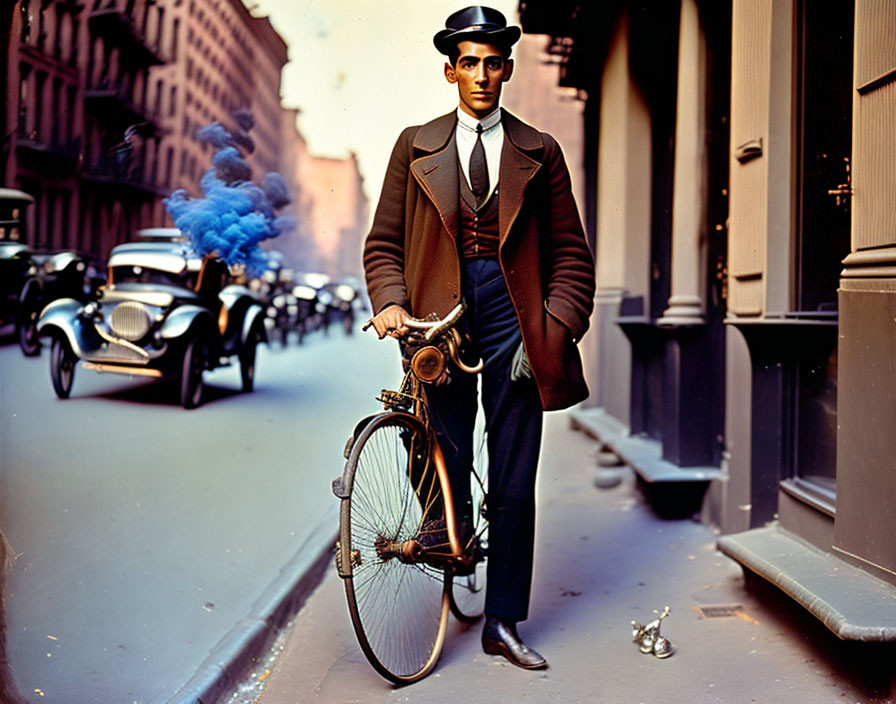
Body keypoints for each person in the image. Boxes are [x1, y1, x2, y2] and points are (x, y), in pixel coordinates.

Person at [363, 5, 595, 670]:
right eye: (470, 62)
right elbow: (382, 245)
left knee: (515, 479)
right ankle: (449, 533)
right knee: (431, 438)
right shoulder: (415, 146)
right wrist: (390, 304)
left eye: (494, 62)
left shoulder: (539, 152)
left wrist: (549, 332)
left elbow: (573, 257)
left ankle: (502, 622)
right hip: (439, 312)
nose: (482, 75)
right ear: (449, 69)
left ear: (508, 69)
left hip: (515, 317)